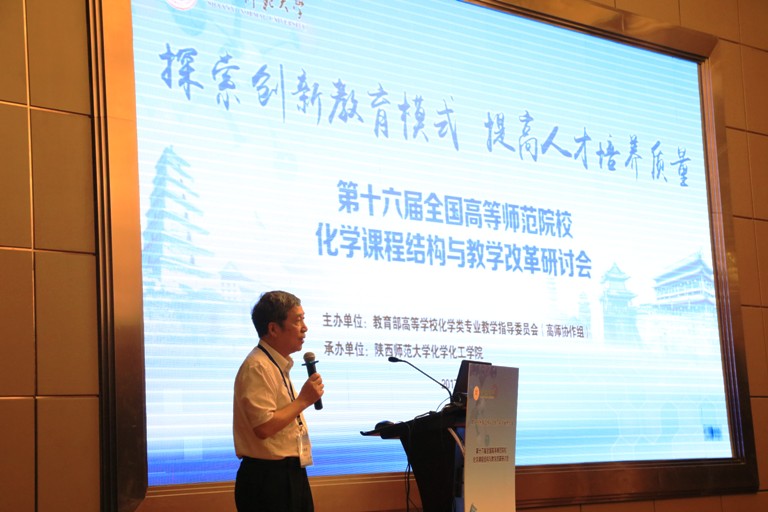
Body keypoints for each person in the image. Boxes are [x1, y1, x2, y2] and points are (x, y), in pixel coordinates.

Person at [233, 290, 324, 512]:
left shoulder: (277, 364)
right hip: (268, 480)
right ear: (273, 329)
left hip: (290, 473)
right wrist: (303, 400)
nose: (305, 328)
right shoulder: (257, 366)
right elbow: (263, 427)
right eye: (298, 320)